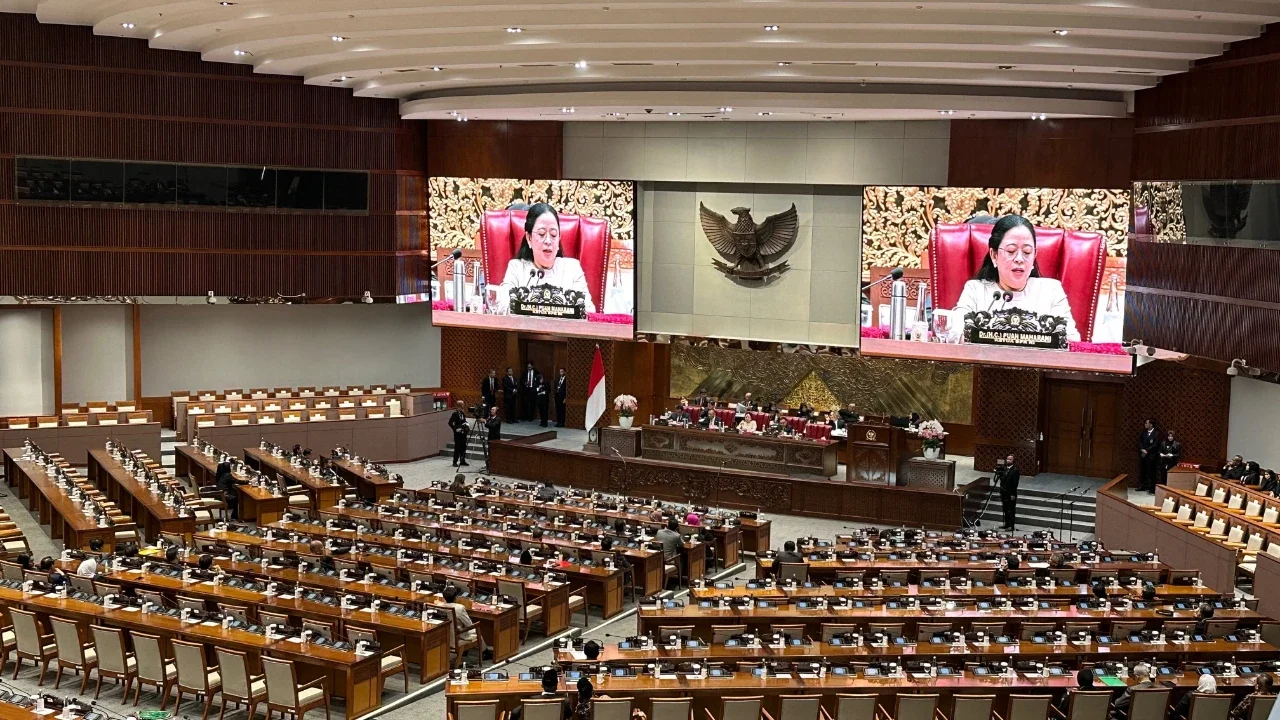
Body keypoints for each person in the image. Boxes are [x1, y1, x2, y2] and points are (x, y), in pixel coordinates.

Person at [951, 215, 1081, 342]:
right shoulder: (975, 290)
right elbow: (955, 334)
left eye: (1027, 252)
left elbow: (1072, 339)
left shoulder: (1051, 290)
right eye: (1011, 251)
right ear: (994, 255)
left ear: (1034, 255)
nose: (1019, 259)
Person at [494, 203, 597, 316]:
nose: (548, 241)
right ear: (529, 238)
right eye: (541, 234)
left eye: (553, 235)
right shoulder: (517, 268)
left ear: (559, 238)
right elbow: (502, 306)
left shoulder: (572, 269)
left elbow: (589, 311)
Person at [441, 584, 489, 659]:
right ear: (455, 598)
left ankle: (465, 651)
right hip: (457, 637)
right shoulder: (459, 608)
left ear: (444, 597)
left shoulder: (439, 606)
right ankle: (485, 653)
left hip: (445, 636)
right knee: (476, 629)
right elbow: (469, 624)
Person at [998, 454, 1021, 530]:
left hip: (1010, 493)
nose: (1008, 460)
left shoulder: (1015, 470)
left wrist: (1013, 494)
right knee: (1005, 508)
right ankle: (1007, 524)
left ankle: (1012, 525)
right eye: (1007, 459)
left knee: (1011, 509)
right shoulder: (1004, 469)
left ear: (1013, 461)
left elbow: (1015, 484)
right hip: (1004, 492)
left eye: (1010, 459)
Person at [1138, 419, 1160, 492]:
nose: (1145, 424)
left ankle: (1151, 488)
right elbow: (1140, 442)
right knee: (1142, 471)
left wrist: (1147, 450)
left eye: (1147, 423)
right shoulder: (1143, 433)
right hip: (1143, 455)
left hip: (1151, 455)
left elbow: (1155, 444)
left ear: (1151, 424)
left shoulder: (1156, 433)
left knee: (1151, 472)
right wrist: (1142, 449)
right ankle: (1141, 486)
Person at [448, 400, 470, 467]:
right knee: (457, 448)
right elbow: (450, 423)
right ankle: (455, 461)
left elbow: (464, 421)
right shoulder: (455, 413)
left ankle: (462, 460)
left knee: (463, 447)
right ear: (460, 405)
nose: (464, 405)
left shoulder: (462, 413)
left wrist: (466, 425)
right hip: (458, 434)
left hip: (463, 433)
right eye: (462, 404)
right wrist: (455, 429)